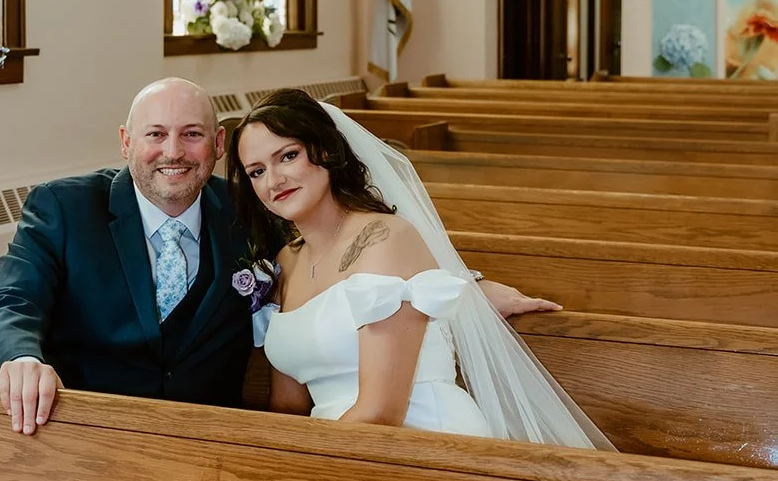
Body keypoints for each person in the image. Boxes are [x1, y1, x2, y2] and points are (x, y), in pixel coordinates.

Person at [0, 76, 565, 435]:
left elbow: (375, 266)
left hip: (220, 438)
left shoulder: (247, 217)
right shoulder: (65, 208)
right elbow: (9, 300)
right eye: (154, 135)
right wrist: (19, 357)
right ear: (127, 142)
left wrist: (468, 287)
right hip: (93, 432)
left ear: (215, 144)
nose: (172, 152)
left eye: (192, 134)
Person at [228, 88, 612, 448]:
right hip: (339, 444)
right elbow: (289, 405)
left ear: (325, 151)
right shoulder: (282, 264)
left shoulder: (384, 239)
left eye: (288, 156)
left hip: (421, 440)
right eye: (257, 171)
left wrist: (302, 468)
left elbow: (382, 411)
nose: (274, 181)